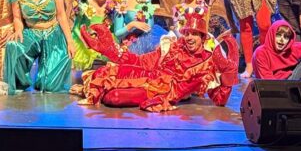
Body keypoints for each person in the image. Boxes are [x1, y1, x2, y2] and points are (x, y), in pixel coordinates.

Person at [75, 9, 238, 111]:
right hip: (149, 76)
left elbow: (220, 100)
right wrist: (111, 51)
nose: (189, 38)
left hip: (161, 92)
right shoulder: (173, 47)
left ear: (202, 37)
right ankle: (96, 89)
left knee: (114, 97)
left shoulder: (207, 62)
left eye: (194, 34)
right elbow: (140, 62)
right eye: (187, 33)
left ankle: (99, 91)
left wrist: (229, 73)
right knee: (105, 72)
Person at [4, 0, 75, 94]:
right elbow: (17, 18)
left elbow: (61, 15)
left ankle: (45, 78)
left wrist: (70, 41)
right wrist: (18, 30)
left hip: (53, 34)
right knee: (13, 46)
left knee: (49, 86)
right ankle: (20, 83)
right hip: (32, 33)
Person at [70, 0, 114, 74]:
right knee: (87, 77)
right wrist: (86, 42)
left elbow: (114, 29)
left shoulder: (113, 5)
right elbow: (75, 28)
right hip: (85, 44)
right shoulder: (85, 3)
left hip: (105, 44)